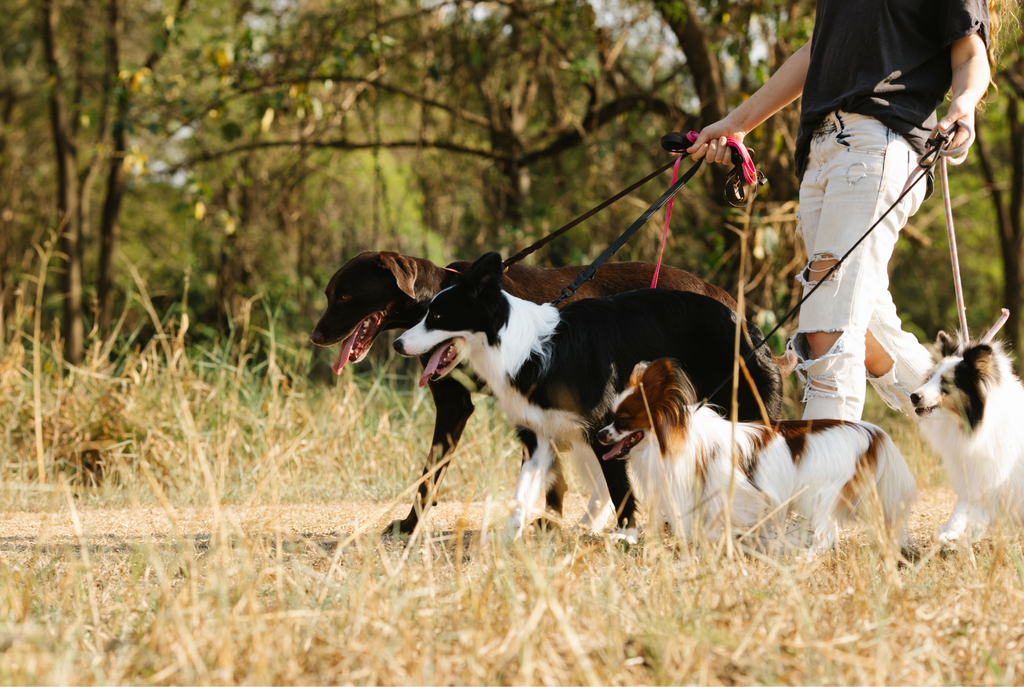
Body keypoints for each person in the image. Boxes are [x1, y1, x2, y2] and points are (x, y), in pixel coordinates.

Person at [687, 0, 1000, 421]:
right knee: (867, 330)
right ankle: (994, 429)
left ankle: (822, 481)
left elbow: (970, 51)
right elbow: (817, 51)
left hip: (876, 146)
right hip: (819, 153)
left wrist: (964, 104)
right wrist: (737, 123)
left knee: (827, 330)